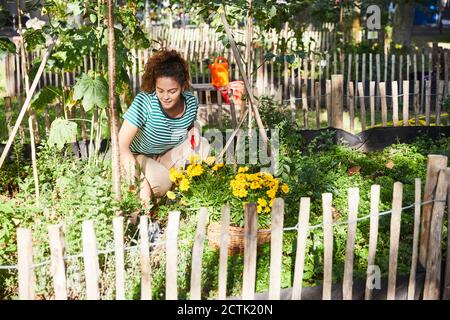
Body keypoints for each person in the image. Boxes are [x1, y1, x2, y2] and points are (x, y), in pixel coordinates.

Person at [119, 49, 210, 210]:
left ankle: (179, 198)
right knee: (162, 181)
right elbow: (122, 146)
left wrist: (194, 130)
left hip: (164, 157)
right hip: (136, 157)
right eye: (160, 90)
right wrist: (141, 185)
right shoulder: (144, 103)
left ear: (182, 87)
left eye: (172, 91)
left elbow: (190, 124)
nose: (165, 97)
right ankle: (154, 196)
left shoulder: (190, 101)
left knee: (202, 146)